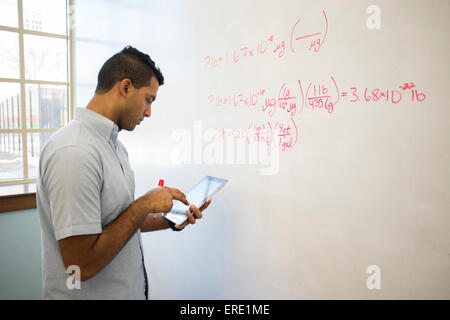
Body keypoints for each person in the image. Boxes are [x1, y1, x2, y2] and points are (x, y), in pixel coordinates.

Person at [36, 46, 211, 299]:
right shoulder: (74, 152)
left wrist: (171, 219)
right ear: (126, 87)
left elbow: (117, 221)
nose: (149, 112)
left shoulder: (114, 147)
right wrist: (146, 203)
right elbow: (80, 265)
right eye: (148, 100)